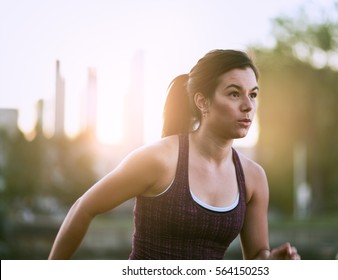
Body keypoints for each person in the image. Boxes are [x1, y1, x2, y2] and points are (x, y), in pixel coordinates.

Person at [48, 49, 300, 260]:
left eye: (253, 94)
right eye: (234, 93)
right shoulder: (159, 160)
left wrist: (271, 263)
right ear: (203, 102)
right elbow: (84, 207)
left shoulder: (253, 178)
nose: (248, 106)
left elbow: (257, 257)